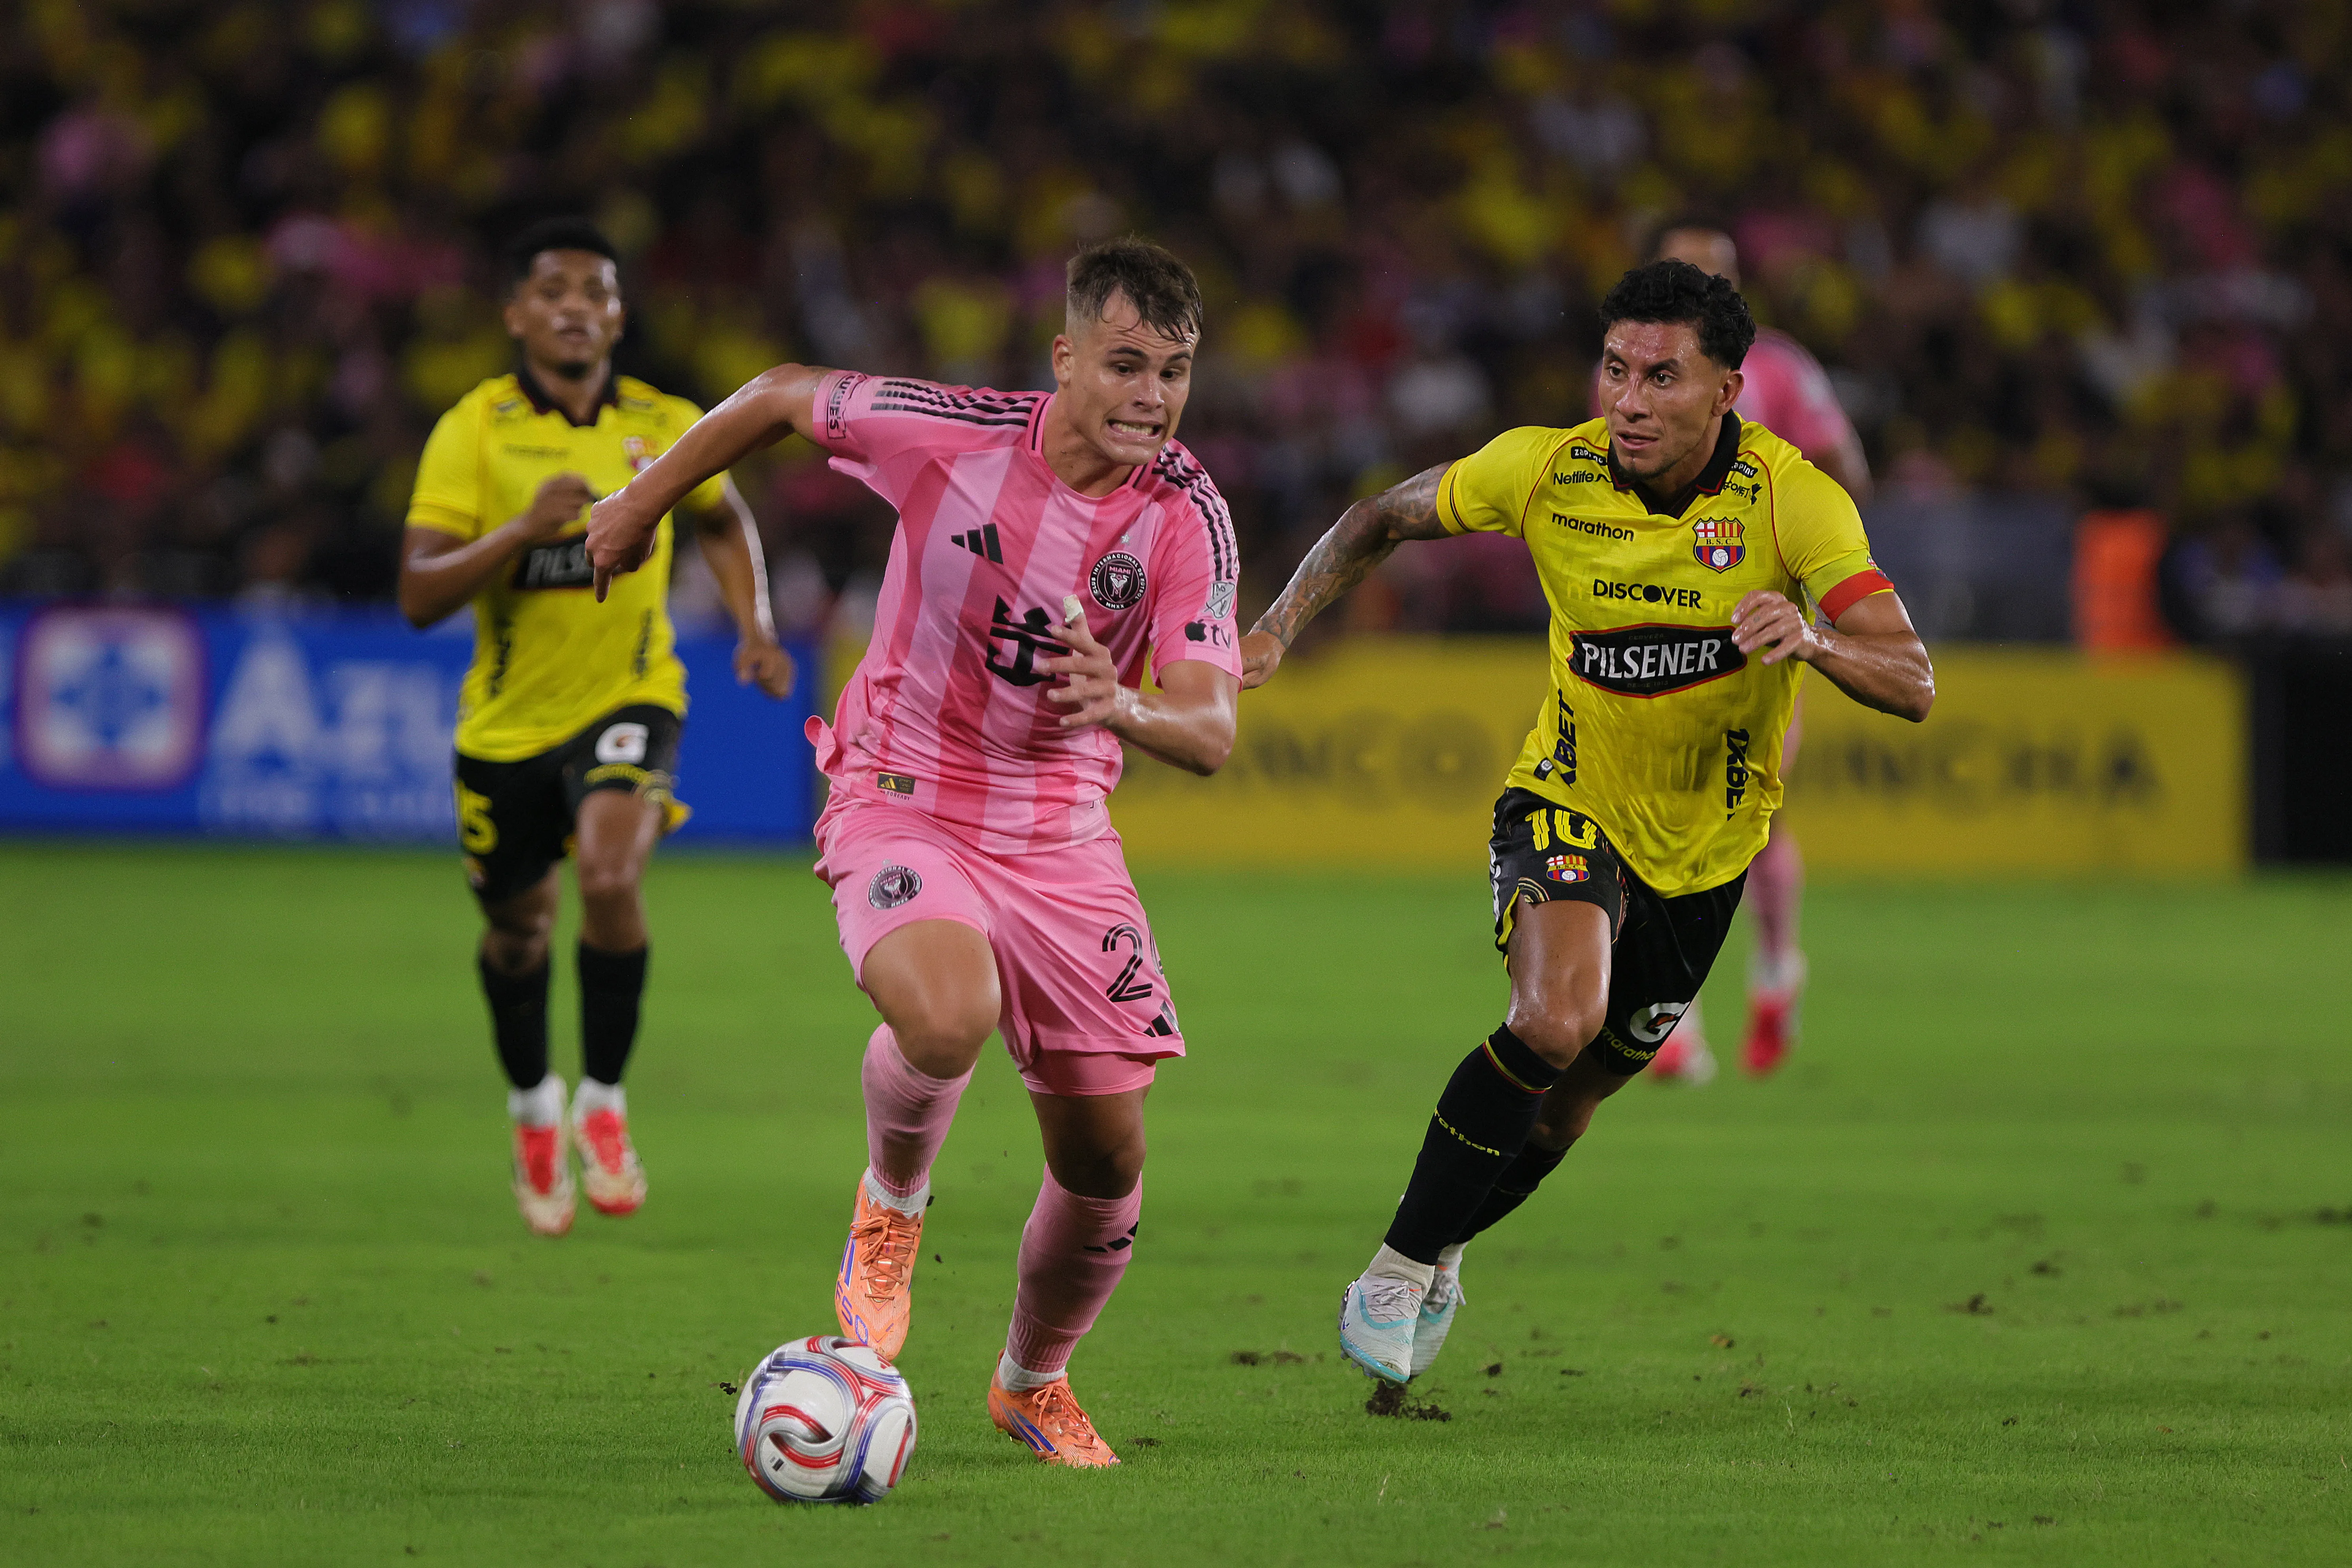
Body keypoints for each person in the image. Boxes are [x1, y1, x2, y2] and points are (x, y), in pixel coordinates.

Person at [585, 238, 1242, 1466]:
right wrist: (638, 504)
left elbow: (1209, 725)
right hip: (905, 790)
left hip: (1058, 832)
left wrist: (1124, 705)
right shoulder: (952, 431)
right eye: (1126, 364)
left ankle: (1031, 1381)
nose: (1152, 396)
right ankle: (890, 1206)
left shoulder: (1183, 515)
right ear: (1065, 360)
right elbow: (782, 396)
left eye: (1175, 370)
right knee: (946, 1016)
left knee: (1107, 1159)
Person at [1241, 260, 1933, 1384]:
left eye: (1663, 376)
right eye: (1615, 368)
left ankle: (1443, 1247)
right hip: (1565, 800)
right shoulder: (1545, 471)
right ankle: (1394, 1269)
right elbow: (1381, 518)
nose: (1629, 399)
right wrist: (1275, 628)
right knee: (1554, 1019)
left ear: (1726, 393)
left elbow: (1913, 681)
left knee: (1565, 1113)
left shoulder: (1793, 501)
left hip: (1708, 856)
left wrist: (1814, 642)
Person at [399, 218, 796, 1238]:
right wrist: (521, 532)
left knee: (612, 877)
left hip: (632, 697)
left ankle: (604, 1104)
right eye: (554, 289)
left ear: (618, 316)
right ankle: (535, 1106)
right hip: (503, 730)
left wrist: (754, 626)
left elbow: (719, 517)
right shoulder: (475, 430)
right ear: (517, 315)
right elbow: (416, 593)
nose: (576, 305)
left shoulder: (665, 420)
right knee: (517, 932)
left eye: (596, 291)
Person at [1645, 223, 1877, 1082]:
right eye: (1690, 271)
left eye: (1722, 273)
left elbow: (1845, 466)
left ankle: (1775, 967)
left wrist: (1810, 559)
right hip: (1654, 624)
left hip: (1754, 628)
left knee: (1750, 810)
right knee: (1655, 812)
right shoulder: (1631, 372)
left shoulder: (1776, 370)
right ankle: (1673, 1015)